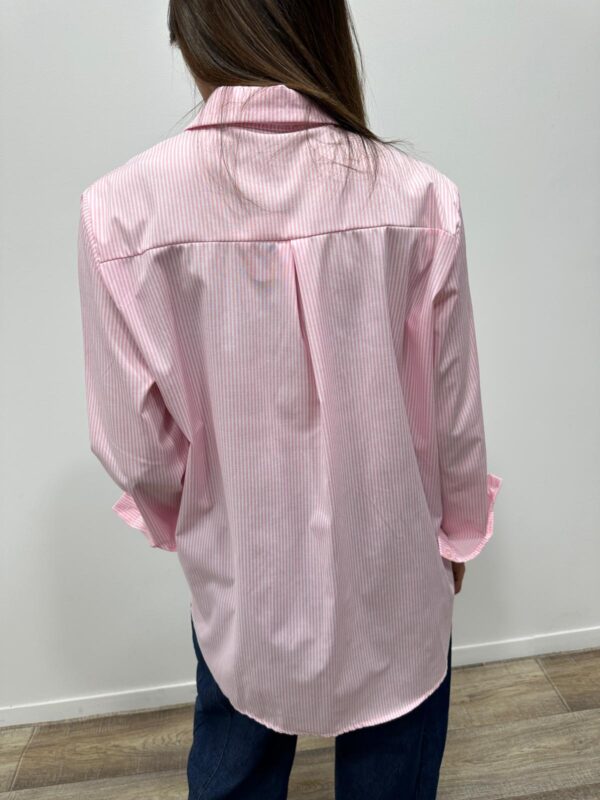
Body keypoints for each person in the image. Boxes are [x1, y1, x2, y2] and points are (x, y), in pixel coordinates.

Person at [77, 1, 503, 797]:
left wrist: (199, 520)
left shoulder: (121, 209)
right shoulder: (418, 198)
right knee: (393, 763)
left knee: (234, 765)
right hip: (393, 558)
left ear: (195, 38)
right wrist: (458, 529)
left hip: (243, 566)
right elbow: (451, 403)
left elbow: (136, 446)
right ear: (323, 31)